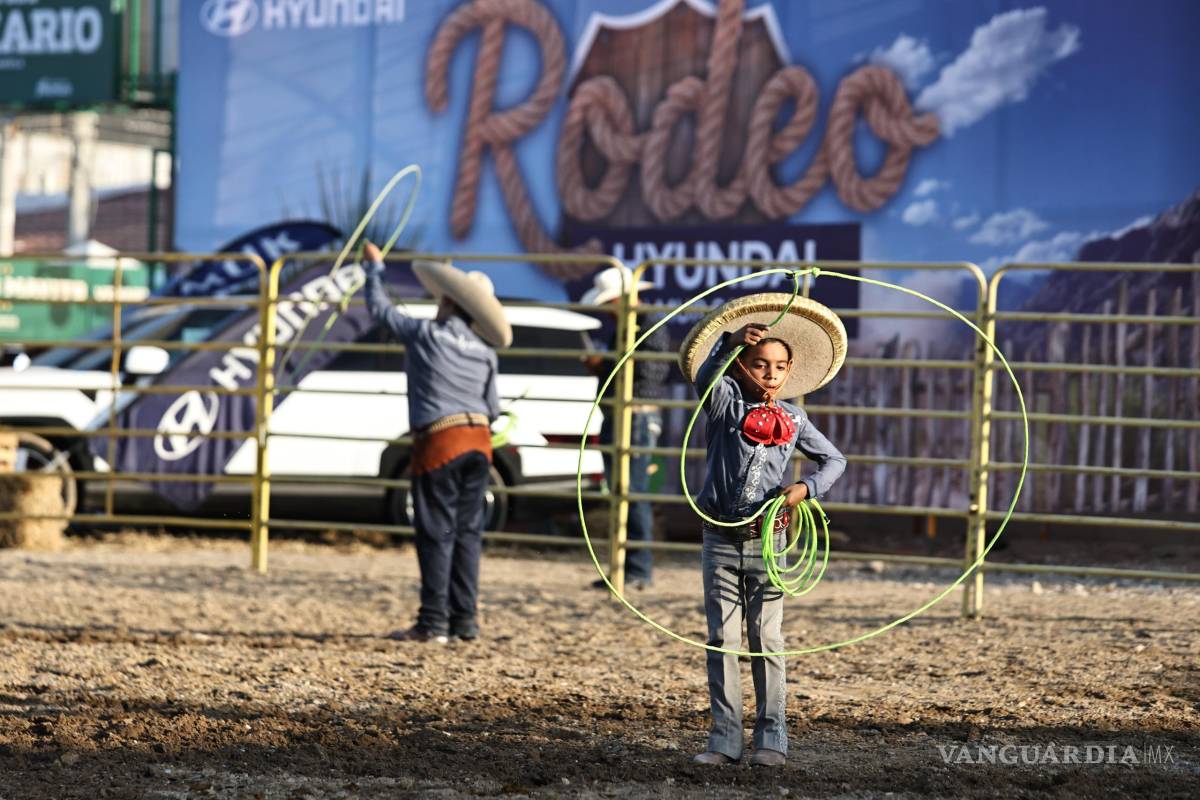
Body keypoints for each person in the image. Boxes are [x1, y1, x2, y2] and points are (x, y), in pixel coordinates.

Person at [678, 293, 848, 767]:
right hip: (719, 540)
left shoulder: (795, 419)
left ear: (789, 372)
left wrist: (805, 490)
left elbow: (834, 459)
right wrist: (727, 345)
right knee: (722, 639)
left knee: (766, 640)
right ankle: (724, 739)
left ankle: (772, 738)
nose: (770, 372)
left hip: (768, 542)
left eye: (778, 366)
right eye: (759, 363)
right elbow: (707, 377)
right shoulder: (724, 404)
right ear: (741, 366)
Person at [363, 242, 512, 644]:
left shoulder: (427, 334)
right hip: (479, 444)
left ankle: (433, 622)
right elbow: (492, 408)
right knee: (468, 533)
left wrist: (374, 269)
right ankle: (465, 621)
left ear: (448, 301)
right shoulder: (485, 352)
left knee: (435, 532)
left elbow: (380, 310)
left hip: (440, 442)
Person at [580, 265, 671, 589]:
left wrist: (605, 365)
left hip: (636, 415)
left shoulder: (647, 325)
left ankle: (636, 569)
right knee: (625, 493)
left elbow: (650, 371)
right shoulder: (635, 326)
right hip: (626, 414)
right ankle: (625, 568)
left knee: (632, 493)